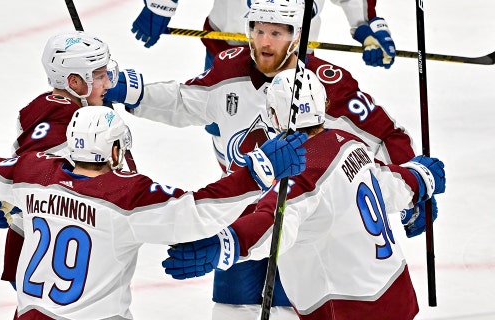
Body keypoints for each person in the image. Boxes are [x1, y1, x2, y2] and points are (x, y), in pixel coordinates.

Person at [106, 0, 433, 318]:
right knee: (229, 309)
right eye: (258, 30)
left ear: (297, 37)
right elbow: (183, 100)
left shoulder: (327, 86)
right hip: (243, 209)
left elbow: (387, 137)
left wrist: (414, 188)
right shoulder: (229, 68)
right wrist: (130, 92)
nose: (263, 42)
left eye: (276, 33)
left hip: (304, 227)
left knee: (292, 307)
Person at [0, 71, 309, 319]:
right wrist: (259, 170)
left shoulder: (33, 171)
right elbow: (198, 211)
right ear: (117, 152)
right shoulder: (126, 196)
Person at [161, 68, 446, 319]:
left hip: (345, 307)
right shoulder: (351, 143)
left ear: (272, 115)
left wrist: (225, 245)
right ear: (323, 105)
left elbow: (273, 224)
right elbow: (386, 184)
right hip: (396, 292)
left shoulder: (298, 173)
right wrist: (421, 177)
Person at [0, 31, 124, 288]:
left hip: (38, 244)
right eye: (100, 76)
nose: (108, 84)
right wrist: (4, 196)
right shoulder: (73, 124)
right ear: (75, 82)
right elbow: (35, 164)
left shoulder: (38, 108)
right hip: (53, 255)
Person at [130, 0, 396, 70]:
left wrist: (368, 26)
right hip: (229, 47)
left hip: (295, 57)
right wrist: (161, 3)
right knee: (226, 133)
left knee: (293, 140)